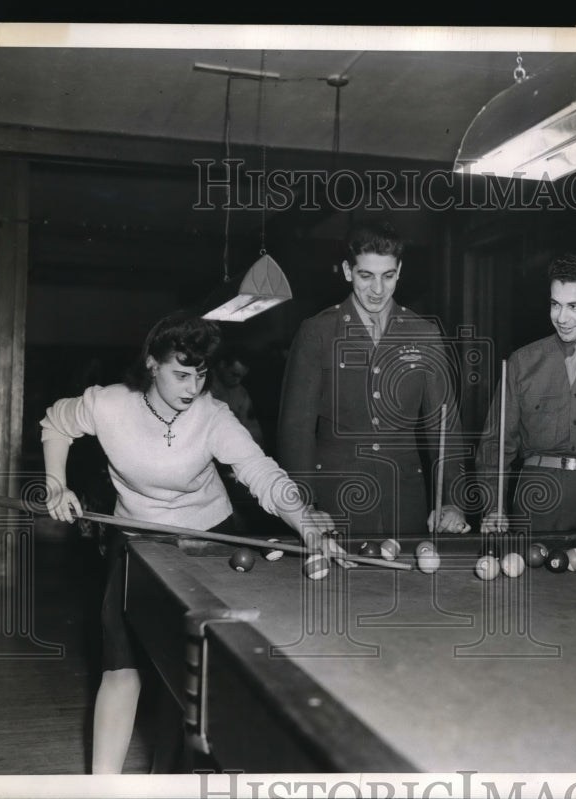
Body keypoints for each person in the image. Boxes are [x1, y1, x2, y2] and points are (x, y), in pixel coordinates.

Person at [40, 311, 342, 774]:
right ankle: (102, 788)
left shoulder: (213, 416)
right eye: (181, 374)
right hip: (137, 541)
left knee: (196, 679)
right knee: (121, 667)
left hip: (207, 539)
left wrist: (307, 525)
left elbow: (261, 472)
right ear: (151, 364)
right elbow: (56, 423)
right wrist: (56, 484)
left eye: (200, 375)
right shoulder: (109, 404)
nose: (193, 387)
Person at [278, 220, 468, 539]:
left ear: (400, 270)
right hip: (334, 503)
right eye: (366, 276)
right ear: (348, 270)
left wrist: (452, 501)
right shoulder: (318, 332)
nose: (378, 290)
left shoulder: (424, 333)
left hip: (404, 503)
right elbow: (295, 429)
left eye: (388, 276)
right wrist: (303, 504)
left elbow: (444, 424)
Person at [476, 250, 576, 533]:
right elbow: (495, 445)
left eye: (574, 306)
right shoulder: (522, 362)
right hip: (537, 506)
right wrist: (493, 507)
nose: (561, 317)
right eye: (555, 305)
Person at [209, 343, 266, 447]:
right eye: (234, 375)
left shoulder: (241, 394)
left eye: (241, 377)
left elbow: (253, 430)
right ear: (222, 365)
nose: (238, 381)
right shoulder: (201, 384)